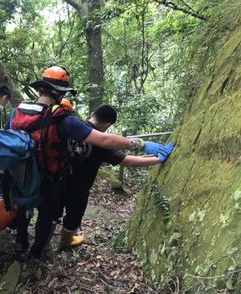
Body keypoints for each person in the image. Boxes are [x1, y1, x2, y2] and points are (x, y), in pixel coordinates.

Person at [10, 66, 171, 269]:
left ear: (41, 89)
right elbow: (103, 139)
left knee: (25, 206)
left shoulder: (18, 112)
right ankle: (35, 256)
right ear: (59, 93)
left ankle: (20, 243)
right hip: (48, 179)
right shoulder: (65, 121)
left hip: (22, 174)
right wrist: (142, 145)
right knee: (47, 214)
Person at [59, 104, 174, 248]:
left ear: (93, 113)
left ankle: (43, 246)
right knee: (74, 215)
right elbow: (127, 161)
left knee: (51, 212)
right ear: (107, 124)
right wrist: (157, 159)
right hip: (79, 187)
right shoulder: (102, 144)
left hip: (58, 178)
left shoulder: (75, 126)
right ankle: (66, 241)